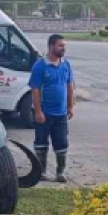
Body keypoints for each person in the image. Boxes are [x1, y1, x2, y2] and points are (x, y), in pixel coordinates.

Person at [29, 34, 75, 182]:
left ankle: (60, 172)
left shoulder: (66, 64)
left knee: (61, 143)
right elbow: (35, 90)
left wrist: (70, 106)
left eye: (64, 45)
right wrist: (38, 111)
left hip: (61, 114)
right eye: (60, 45)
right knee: (41, 143)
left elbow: (70, 87)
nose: (63, 48)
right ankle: (41, 172)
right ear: (51, 46)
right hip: (44, 113)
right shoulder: (40, 66)